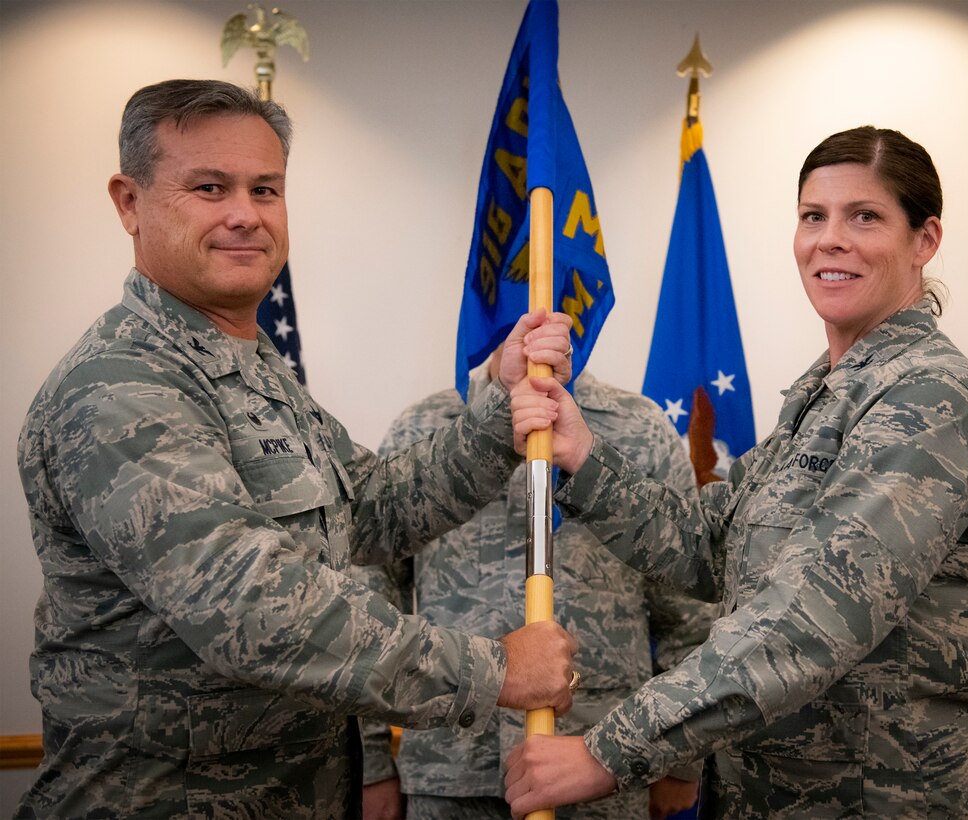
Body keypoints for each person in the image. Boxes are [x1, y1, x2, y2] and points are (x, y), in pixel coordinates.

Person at [15, 79, 580, 818]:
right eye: (209, 188)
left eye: (266, 189)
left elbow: (370, 511)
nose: (244, 215)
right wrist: (489, 670)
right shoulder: (120, 387)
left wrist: (493, 416)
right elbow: (247, 606)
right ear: (129, 202)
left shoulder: (246, 365)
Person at [505, 126, 968, 819]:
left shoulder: (930, 398)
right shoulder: (822, 397)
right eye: (813, 216)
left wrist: (608, 752)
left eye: (864, 216)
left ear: (924, 240)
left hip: (890, 800)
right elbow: (705, 547)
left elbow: (812, 617)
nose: (829, 240)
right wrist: (582, 454)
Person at [354, 350, 715, 820]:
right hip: (451, 769)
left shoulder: (640, 427)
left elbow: (685, 607)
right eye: (509, 279)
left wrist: (679, 761)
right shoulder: (423, 427)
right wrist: (374, 764)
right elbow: (372, 599)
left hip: (603, 760)